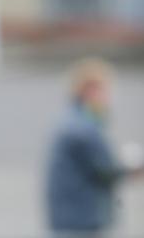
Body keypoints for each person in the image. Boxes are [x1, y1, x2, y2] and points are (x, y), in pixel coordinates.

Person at [45, 58, 144, 238]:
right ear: (90, 91)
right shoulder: (82, 128)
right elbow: (106, 169)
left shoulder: (74, 122)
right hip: (79, 224)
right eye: (104, 91)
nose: (107, 99)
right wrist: (134, 168)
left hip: (69, 221)